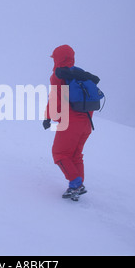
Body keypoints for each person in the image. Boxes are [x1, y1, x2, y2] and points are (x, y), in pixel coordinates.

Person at [43, 45, 100, 201]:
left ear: (57, 58)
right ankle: (75, 186)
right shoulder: (81, 73)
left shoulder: (58, 75)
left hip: (70, 122)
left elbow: (55, 99)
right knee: (75, 156)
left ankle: (76, 184)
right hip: (87, 123)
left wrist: (48, 117)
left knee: (59, 154)